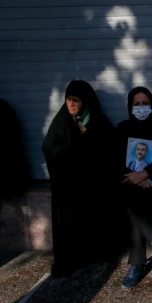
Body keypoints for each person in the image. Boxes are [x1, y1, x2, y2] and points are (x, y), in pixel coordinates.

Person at [42, 80, 117, 278]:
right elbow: (50, 148)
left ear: (85, 101)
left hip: (92, 187)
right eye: (68, 100)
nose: (71, 105)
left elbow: (109, 151)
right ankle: (70, 261)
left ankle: (93, 256)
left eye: (76, 100)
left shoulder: (99, 122)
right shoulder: (61, 122)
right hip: (68, 187)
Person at [118, 86, 152, 289]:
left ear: (151, 105)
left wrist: (146, 175)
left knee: (134, 206)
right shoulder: (122, 128)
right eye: (137, 104)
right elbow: (116, 159)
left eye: (145, 103)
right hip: (130, 182)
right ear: (130, 106)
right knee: (131, 197)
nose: (141, 107)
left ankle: (137, 264)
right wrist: (135, 177)